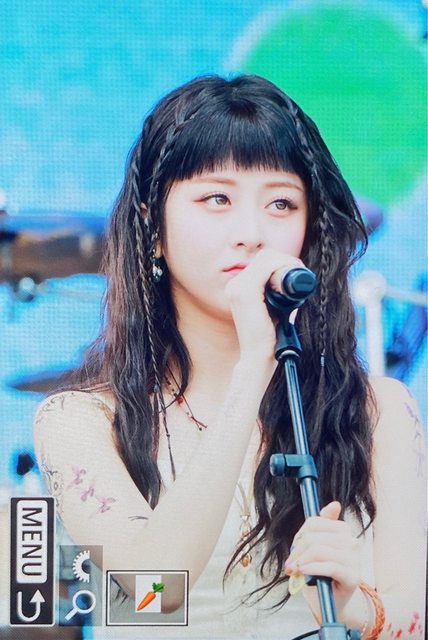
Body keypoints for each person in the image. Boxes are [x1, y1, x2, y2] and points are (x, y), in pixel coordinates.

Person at [33, 74, 426, 640]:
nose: (252, 232)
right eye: (217, 199)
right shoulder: (79, 421)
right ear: (153, 228)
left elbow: (413, 618)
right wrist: (253, 366)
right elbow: (153, 588)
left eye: (281, 203)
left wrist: (354, 606)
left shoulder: (379, 409)